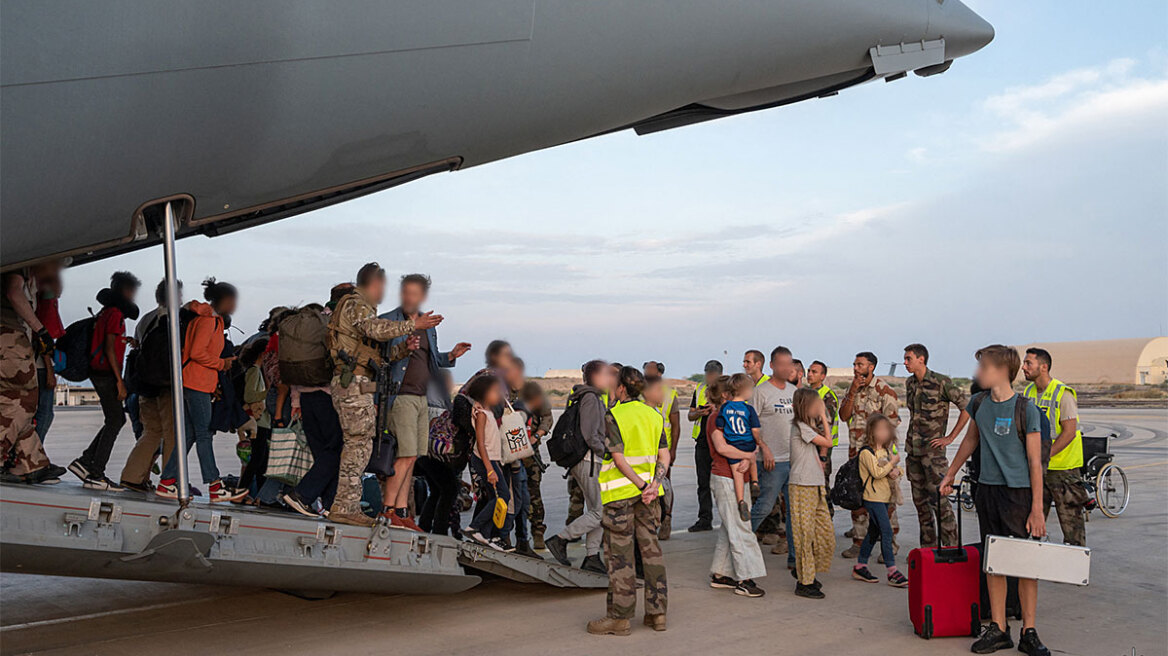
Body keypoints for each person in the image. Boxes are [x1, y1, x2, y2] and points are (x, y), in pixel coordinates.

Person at [940, 345, 1050, 656]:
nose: (978, 373)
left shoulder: (1026, 409)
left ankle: (1029, 631)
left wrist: (1037, 509)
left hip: (1018, 494)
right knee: (995, 562)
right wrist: (951, 473)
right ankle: (999, 628)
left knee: (1025, 564)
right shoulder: (979, 404)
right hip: (987, 491)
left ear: (1002, 371)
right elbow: (971, 439)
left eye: (983, 367)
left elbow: (1035, 463)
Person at [326, 263, 430, 527]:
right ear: (374, 284)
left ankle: (346, 505)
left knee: (360, 446)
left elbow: (378, 355)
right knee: (357, 445)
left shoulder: (363, 309)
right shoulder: (355, 304)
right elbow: (374, 330)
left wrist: (404, 350)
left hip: (361, 383)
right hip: (353, 384)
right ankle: (345, 507)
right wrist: (411, 325)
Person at [377, 273, 470, 530]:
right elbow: (381, 358)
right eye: (406, 292)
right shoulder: (388, 321)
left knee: (413, 456)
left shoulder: (429, 326)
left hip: (422, 399)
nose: (409, 297)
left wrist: (451, 355)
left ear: (422, 296)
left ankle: (403, 512)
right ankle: (388, 510)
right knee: (405, 454)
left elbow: (431, 360)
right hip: (400, 396)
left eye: (415, 293)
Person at [587, 366, 670, 636]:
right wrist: (654, 484)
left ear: (622, 388)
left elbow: (619, 460)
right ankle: (657, 614)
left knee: (620, 557)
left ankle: (619, 618)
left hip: (622, 496)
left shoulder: (615, 415)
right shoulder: (653, 415)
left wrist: (642, 486)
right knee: (651, 552)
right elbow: (664, 455)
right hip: (650, 496)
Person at [155, 279, 247, 502]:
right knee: (205, 434)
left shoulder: (208, 319)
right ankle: (214, 485)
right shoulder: (209, 321)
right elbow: (197, 352)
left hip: (195, 382)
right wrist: (221, 364)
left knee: (189, 435)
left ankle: (166, 482)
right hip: (196, 383)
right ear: (224, 301)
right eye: (233, 301)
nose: (235, 305)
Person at [68, 271, 141, 490]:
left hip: (98, 371)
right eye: (133, 291)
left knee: (115, 419)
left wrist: (124, 340)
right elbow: (109, 348)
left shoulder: (106, 312)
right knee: (116, 420)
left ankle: (86, 462)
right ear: (126, 291)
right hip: (105, 373)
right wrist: (119, 381)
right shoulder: (115, 314)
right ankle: (95, 472)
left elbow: (108, 341)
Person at [545, 360, 614, 574]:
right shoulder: (591, 398)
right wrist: (607, 453)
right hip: (589, 461)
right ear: (596, 377)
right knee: (601, 512)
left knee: (596, 510)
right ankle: (560, 539)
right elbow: (590, 434)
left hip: (587, 460)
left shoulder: (587, 396)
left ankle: (592, 556)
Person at [1, 262, 66, 484]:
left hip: (9, 339)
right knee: (22, 400)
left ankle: (32, 463)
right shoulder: (18, 263)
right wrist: (41, 330)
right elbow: (13, 292)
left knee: (19, 404)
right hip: (9, 337)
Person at [902, 343, 971, 549]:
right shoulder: (910, 383)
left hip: (933, 454)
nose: (905, 363)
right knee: (921, 505)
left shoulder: (941, 382)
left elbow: (967, 408)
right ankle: (928, 551)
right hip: (913, 451)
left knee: (940, 504)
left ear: (921, 359)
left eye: (908, 359)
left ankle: (951, 549)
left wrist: (950, 437)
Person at [118, 279, 183, 492]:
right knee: (173, 434)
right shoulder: (177, 318)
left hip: (145, 384)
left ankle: (131, 476)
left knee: (151, 432)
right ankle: (170, 480)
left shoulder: (145, 320)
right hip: (167, 384)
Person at [706, 376, 767, 598]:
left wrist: (750, 454)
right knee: (741, 527)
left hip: (738, 477)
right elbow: (722, 447)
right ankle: (745, 579)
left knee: (729, 526)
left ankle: (721, 574)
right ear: (726, 395)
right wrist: (748, 455)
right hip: (726, 478)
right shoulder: (716, 418)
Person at [1022, 347, 1087, 546]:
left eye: (1028, 363)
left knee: (1072, 527)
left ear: (1043, 367)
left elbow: (1069, 432)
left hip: (1063, 471)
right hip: (1039, 469)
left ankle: (1075, 562)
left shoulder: (1063, 394)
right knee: (1031, 524)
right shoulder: (1028, 392)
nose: (1023, 367)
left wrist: (1044, 455)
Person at [839, 351, 901, 559]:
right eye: (855, 364)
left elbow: (891, 425)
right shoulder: (852, 389)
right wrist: (852, 390)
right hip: (856, 453)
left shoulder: (884, 390)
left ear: (871, 367)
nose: (856, 368)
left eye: (860, 364)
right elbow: (843, 416)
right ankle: (859, 540)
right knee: (856, 495)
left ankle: (890, 545)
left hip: (879, 455)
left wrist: (888, 458)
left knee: (885, 499)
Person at [788, 388, 837, 598]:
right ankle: (804, 581)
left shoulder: (808, 427)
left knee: (825, 533)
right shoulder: (801, 426)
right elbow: (828, 441)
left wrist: (822, 460)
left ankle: (805, 570)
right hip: (802, 484)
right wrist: (824, 417)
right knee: (804, 534)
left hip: (814, 484)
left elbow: (823, 447)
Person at [749, 347, 796, 564]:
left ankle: (794, 558)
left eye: (789, 364)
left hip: (792, 461)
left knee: (793, 511)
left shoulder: (793, 392)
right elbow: (751, 425)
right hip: (770, 462)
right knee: (764, 506)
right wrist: (764, 447)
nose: (786, 368)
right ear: (772, 366)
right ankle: (739, 542)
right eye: (782, 364)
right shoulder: (761, 392)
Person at [851, 413, 908, 588]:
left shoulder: (886, 450)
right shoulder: (866, 453)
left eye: (886, 429)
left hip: (884, 497)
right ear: (871, 432)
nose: (884, 433)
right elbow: (877, 473)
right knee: (887, 532)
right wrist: (892, 464)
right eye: (880, 430)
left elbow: (896, 468)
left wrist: (897, 470)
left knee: (873, 532)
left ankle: (860, 566)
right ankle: (892, 571)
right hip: (872, 498)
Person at [461, 374, 512, 550]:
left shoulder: (488, 412)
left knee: (496, 497)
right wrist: (490, 469)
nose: (498, 394)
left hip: (491, 460)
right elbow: (481, 444)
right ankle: (474, 528)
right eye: (494, 391)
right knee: (503, 496)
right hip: (484, 460)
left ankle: (484, 534)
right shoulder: (481, 414)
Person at [714, 373, 760, 521]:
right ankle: (755, 481)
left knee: (737, 475)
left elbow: (720, 425)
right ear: (745, 390)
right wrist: (758, 441)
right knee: (752, 459)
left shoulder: (725, 407)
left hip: (733, 443)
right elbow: (755, 429)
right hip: (748, 442)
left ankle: (740, 501)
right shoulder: (749, 409)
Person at [642, 361, 679, 539]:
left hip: (663, 449)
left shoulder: (670, 394)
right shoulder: (639, 393)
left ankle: (667, 519)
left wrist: (673, 450)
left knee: (665, 486)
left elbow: (676, 424)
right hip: (645, 449)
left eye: (650, 369)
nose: (646, 372)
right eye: (645, 369)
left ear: (659, 373)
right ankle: (651, 520)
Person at [687, 359, 723, 532]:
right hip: (702, 443)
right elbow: (690, 415)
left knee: (722, 483)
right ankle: (705, 519)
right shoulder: (700, 389)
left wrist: (715, 409)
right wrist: (700, 412)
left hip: (720, 444)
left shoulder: (727, 389)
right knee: (703, 483)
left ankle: (727, 518)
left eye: (712, 374)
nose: (709, 377)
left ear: (719, 375)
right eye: (707, 373)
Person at [33, 269, 65, 442]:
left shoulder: (39, 299)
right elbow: (42, 337)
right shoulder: (46, 302)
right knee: (45, 414)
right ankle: (35, 451)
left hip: (37, 362)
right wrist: (49, 370)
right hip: (40, 365)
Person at [520, 380, 552, 548]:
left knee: (534, 494)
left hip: (531, 453)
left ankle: (538, 531)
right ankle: (517, 536)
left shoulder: (532, 391)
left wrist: (537, 435)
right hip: (510, 453)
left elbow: (547, 416)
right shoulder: (504, 393)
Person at [807, 361, 839, 496]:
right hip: (810, 445)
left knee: (822, 487)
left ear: (822, 376)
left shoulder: (827, 396)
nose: (809, 374)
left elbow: (827, 427)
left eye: (814, 372)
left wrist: (823, 456)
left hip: (822, 447)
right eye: (809, 371)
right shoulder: (807, 393)